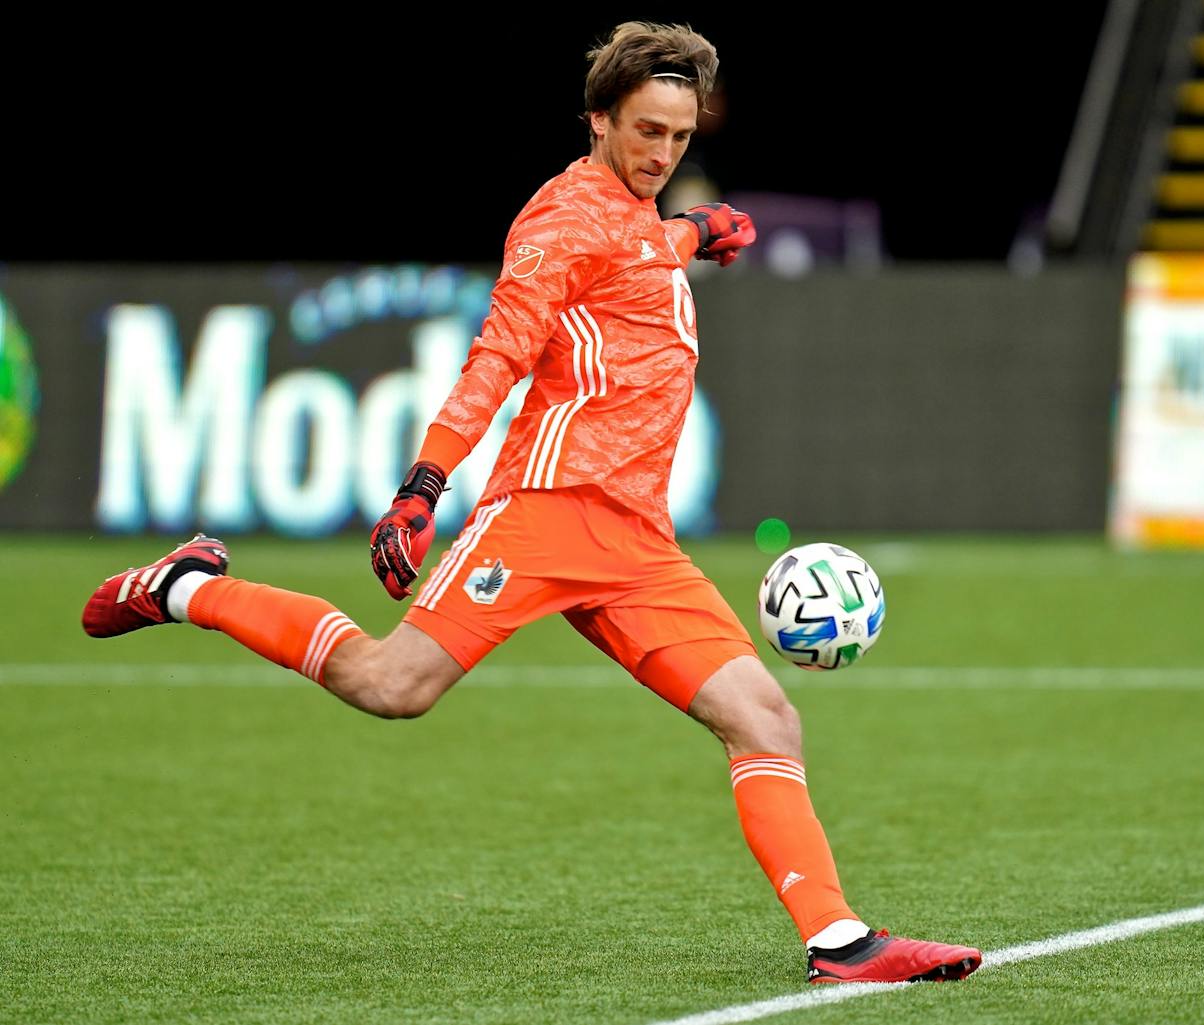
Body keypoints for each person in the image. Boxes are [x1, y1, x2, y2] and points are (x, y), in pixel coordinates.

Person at [81, 22, 981, 986]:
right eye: (645, 133)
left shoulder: (639, 214)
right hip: (547, 510)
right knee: (394, 686)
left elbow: (632, 256)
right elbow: (500, 354)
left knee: (765, 717)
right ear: (597, 120)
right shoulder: (558, 220)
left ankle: (838, 940)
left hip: (637, 538)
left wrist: (690, 233)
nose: (663, 154)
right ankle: (185, 587)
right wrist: (423, 487)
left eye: (679, 136)